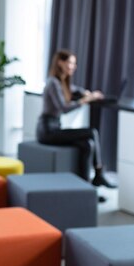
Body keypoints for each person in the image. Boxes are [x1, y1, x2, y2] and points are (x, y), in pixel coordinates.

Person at [36, 49, 116, 189]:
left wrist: (88, 93)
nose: (74, 66)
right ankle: (98, 173)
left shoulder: (62, 83)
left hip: (55, 127)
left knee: (87, 144)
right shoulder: (53, 83)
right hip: (47, 130)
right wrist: (85, 100)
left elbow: (75, 89)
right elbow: (64, 108)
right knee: (92, 132)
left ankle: (85, 188)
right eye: (71, 63)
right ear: (60, 62)